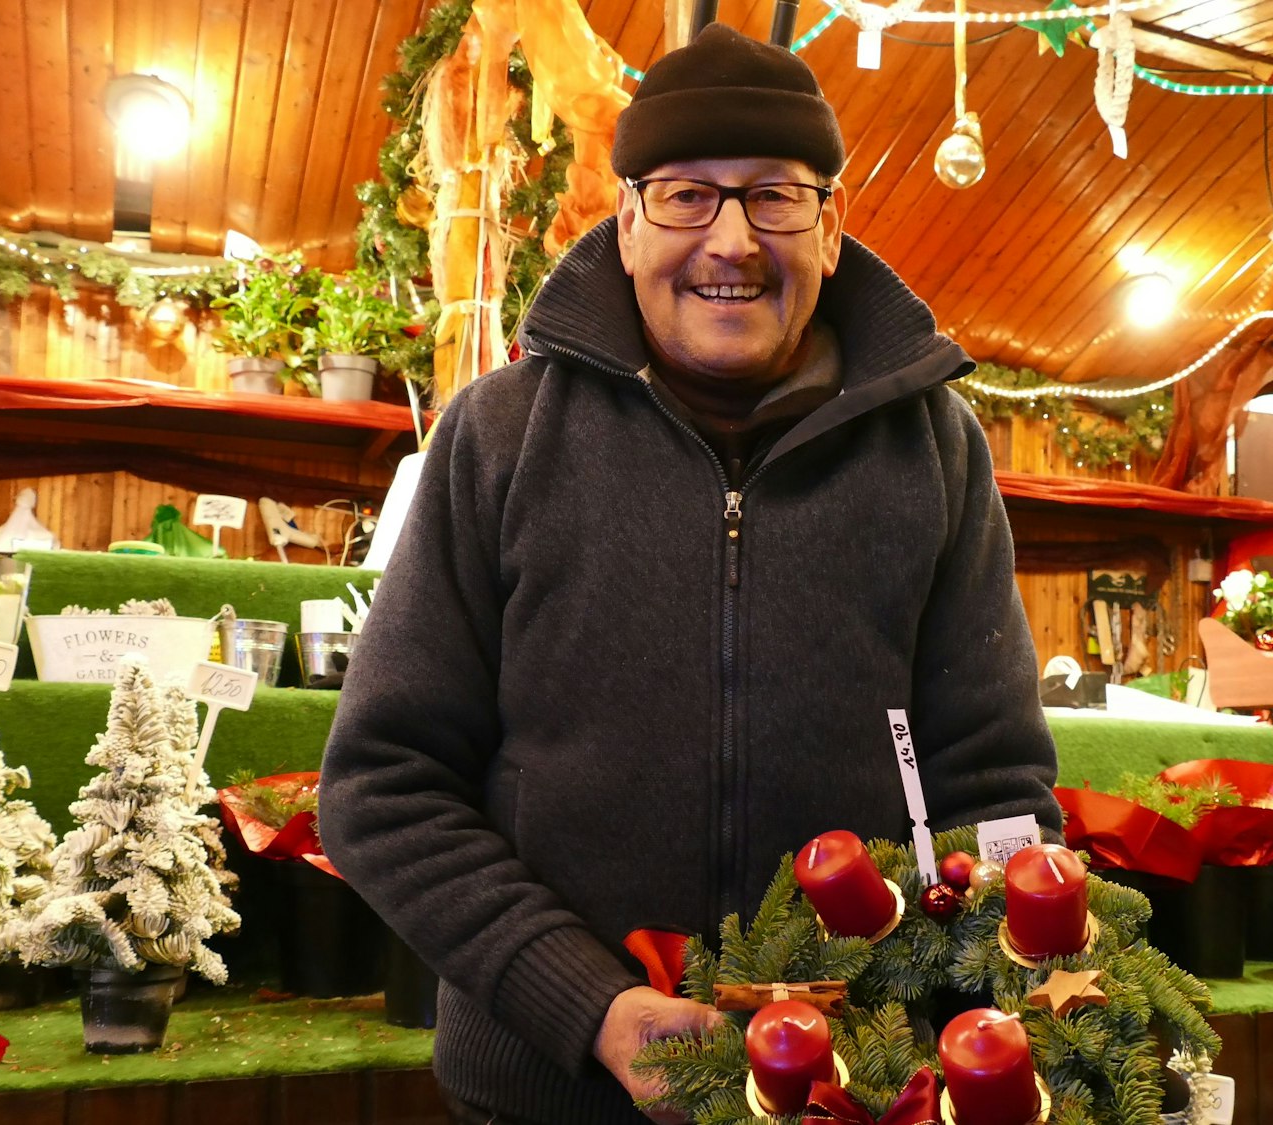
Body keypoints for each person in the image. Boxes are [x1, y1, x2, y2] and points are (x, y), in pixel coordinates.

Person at [320, 23, 1061, 1125]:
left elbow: (994, 787)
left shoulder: (936, 451)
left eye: (775, 197)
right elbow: (384, 785)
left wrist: (1009, 999)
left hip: (853, 1091)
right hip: (546, 1093)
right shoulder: (499, 435)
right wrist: (587, 1003)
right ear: (626, 224)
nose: (732, 240)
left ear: (830, 227)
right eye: (685, 197)